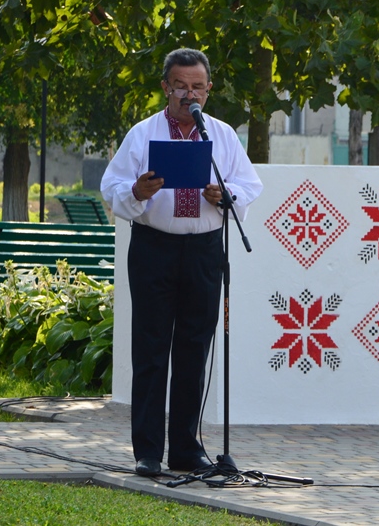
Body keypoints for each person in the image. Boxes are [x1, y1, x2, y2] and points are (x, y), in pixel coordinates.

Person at [101, 48, 263, 477]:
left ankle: (187, 449)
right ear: (165, 87)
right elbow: (112, 187)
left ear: (208, 90)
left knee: (195, 349)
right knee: (152, 349)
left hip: (205, 250)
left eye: (197, 87)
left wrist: (225, 197)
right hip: (155, 248)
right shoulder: (142, 133)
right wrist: (137, 191)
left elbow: (248, 185)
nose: (189, 94)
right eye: (180, 86)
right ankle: (149, 451)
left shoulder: (222, 136)